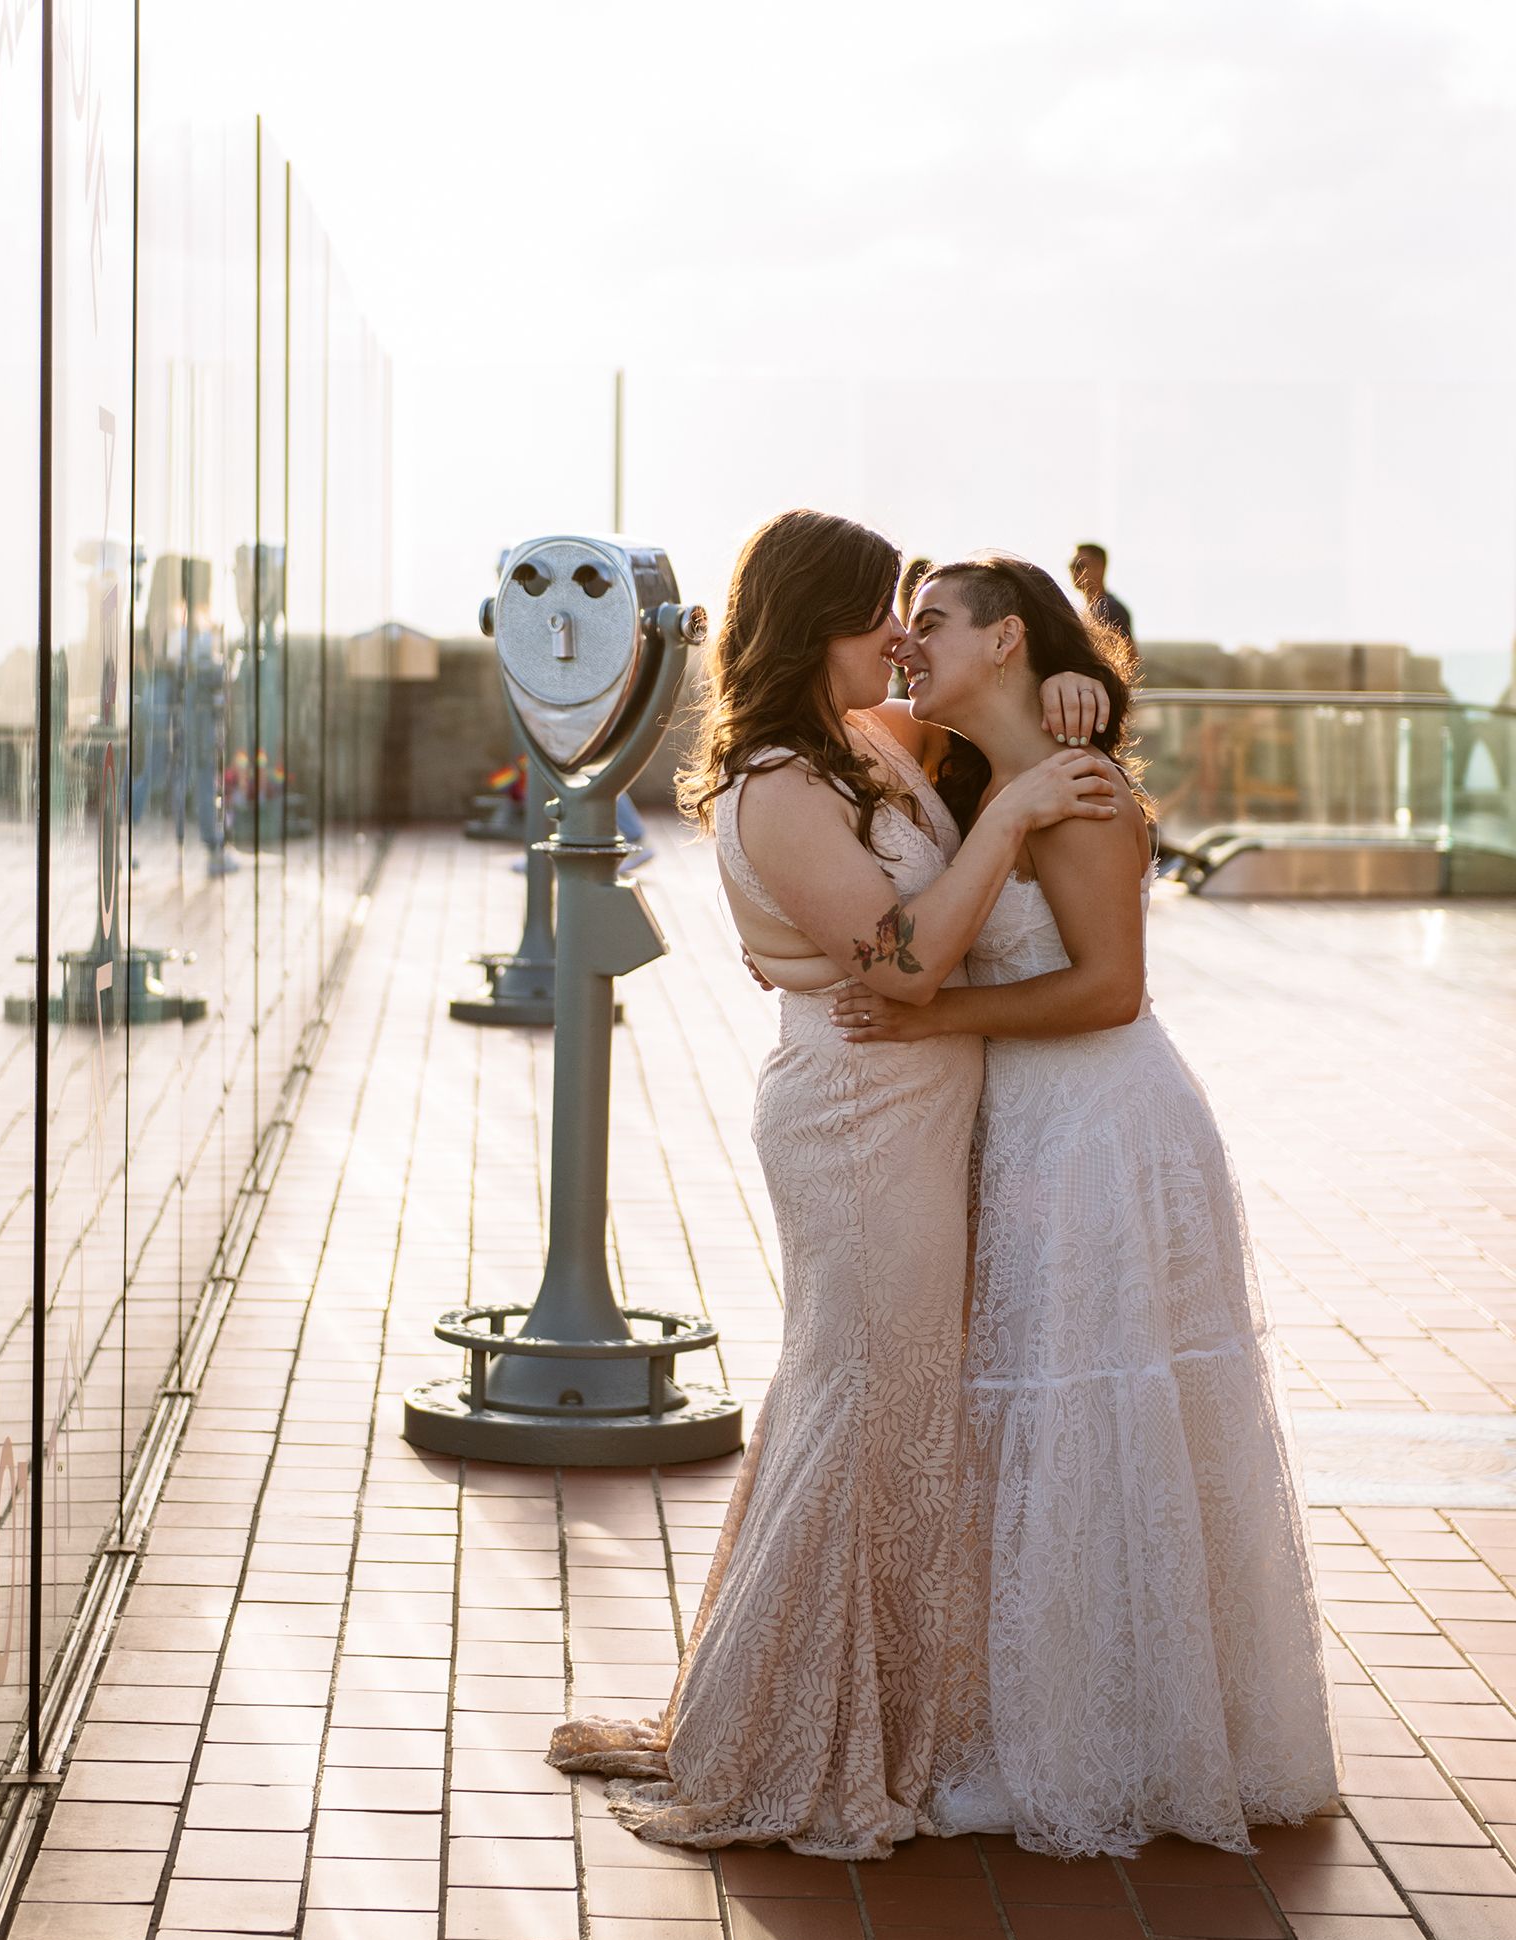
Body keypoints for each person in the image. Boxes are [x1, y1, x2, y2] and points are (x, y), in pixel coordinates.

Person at [545, 509, 1118, 1857]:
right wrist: (1029, 807)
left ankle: (827, 1702)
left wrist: (1069, 689)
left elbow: (987, 726)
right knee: (865, 1414)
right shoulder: (781, 784)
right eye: (884, 617)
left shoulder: (864, 745)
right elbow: (907, 963)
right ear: (823, 626)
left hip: (913, 1111)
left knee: (873, 1410)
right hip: (860, 1121)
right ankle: (786, 1732)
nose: (906, 639)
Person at [831, 554, 1339, 1857]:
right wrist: (1063, 673)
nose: (906, 644)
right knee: (1040, 1432)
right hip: (1032, 1129)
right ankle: (1032, 1722)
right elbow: (829, 707)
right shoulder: (974, 776)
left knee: (1101, 1423)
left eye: (931, 623)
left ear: (1002, 640)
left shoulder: (1084, 795)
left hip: (1109, 1130)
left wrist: (934, 1012)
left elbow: (1111, 990)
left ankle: (1119, 1741)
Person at [1069, 540, 1134, 648]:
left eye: (1079, 565)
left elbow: (1129, 657)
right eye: (1071, 565)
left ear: (1100, 568)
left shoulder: (1112, 610)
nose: (1073, 570)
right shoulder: (1082, 611)